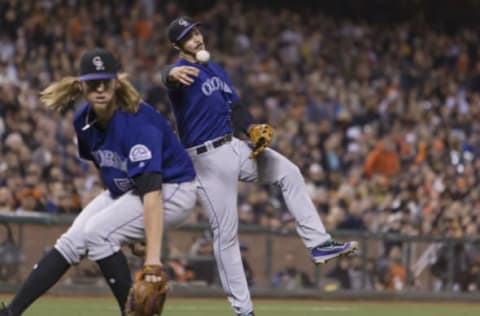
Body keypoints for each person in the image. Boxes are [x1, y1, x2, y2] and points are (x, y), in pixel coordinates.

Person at [161, 16, 359, 316]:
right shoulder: (182, 72)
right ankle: (244, 311)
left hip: (232, 145)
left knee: (289, 173)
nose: (197, 39)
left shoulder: (215, 69)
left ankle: (318, 243)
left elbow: (236, 108)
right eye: (188, 37)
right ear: (177, 45)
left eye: (197, 32)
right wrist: (171, 74)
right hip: (205, 160)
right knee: (226, 234)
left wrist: (251, 130)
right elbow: (167, 77)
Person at [0, 48, 197, 316]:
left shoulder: (138, 122)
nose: (101, 88)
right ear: (81, 85)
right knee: (72, 241)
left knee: (98, 232)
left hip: (173, 189)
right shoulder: (83, 120)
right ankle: (11, 313)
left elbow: (152, 195)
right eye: (93, 83)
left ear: (117, 82)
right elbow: (108, 169)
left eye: (106, 81)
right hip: (129, 189)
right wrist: (127, 226)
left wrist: (152, 259)